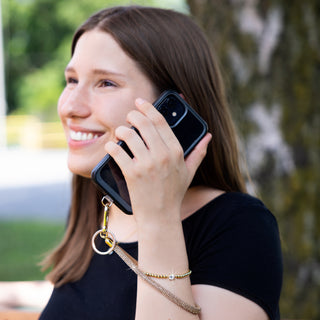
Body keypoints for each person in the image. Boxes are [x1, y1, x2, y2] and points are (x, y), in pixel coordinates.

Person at [39, 5, 282, 320]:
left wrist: (158, 217)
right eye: (71, 80)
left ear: (170, 112)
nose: (70, 106)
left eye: (106, 83)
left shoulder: (240, 226)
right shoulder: (98, 205)